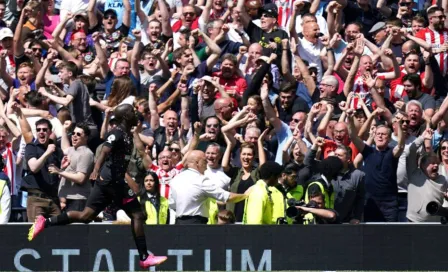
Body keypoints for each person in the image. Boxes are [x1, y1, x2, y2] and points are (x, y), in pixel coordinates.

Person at [27, 104, 168, 269]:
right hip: (113, 182)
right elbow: (104, 151)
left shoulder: (127, 133)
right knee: (138, 214)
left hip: (107, 182)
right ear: (124, 117)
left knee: (86, 216)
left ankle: (45, 222)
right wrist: (95, 169)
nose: (134, 113)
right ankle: (144, 257)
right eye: (131, 111)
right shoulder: (117, 133)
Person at [169, 150, 249, 224]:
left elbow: (172, 204)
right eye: (204, 161)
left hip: (178, 224)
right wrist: (245, 195)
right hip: (196, 224)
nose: (207, 165)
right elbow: (227, 197)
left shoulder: (175, 179)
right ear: (197, 163)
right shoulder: (201, 180)